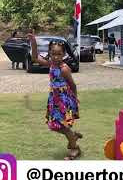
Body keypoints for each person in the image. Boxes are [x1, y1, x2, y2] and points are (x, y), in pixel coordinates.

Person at [27, 32, 82, 160]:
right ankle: (73, 136)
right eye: (53, 54)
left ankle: (74, 149)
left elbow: (73, 85)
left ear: (64, 54)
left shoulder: (64, 68)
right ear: (50, 54)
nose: (56, 57)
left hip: (64, 100)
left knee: (64, 125)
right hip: (54, 99)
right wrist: (33, 42)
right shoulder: (51, 64)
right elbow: (35, 58)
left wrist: (74, 99)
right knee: (54, 126)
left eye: (59, 54)